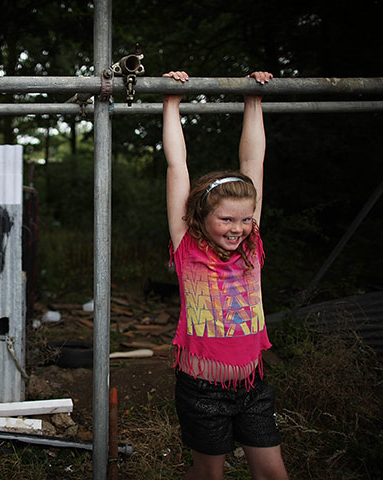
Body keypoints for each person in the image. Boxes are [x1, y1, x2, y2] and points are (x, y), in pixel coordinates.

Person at [162, 70, 289, 480]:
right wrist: (171, 103)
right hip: (202, 391)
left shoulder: (251, 246)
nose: (237, 227)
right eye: (226, 219)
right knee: (209, 476)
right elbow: (177, 164)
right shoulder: (188, 247)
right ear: (203, 216)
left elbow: (254, 161)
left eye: (245, 219)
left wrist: (253, 98)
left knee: (273, 473)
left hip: (252, 385)